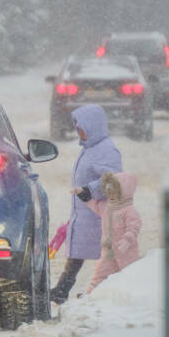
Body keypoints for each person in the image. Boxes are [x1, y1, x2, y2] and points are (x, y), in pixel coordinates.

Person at [50, 104, 125, 305]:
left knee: (108, 256)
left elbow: (114, 179)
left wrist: (91, 190)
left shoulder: (106, 150)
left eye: (81, 125)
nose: (78, 130)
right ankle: (62, 289)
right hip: (85, 212)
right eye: (77, 126)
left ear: (93, 125)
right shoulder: (90, 148)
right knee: (77, 254)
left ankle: (105, 291)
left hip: (99, 213)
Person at [83, 171, 142, 294]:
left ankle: (131, 297)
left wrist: (127, 240)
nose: (111, 196)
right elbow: (95, 205)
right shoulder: (106, 206)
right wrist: (82, 195)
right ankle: (90, 295)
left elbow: (134, 226)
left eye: (115, 193)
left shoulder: (129, 210)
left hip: (126, 252)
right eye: (108, 193)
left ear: (124, 193)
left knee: (130, 276)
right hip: (108, 251)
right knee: (100, 273)